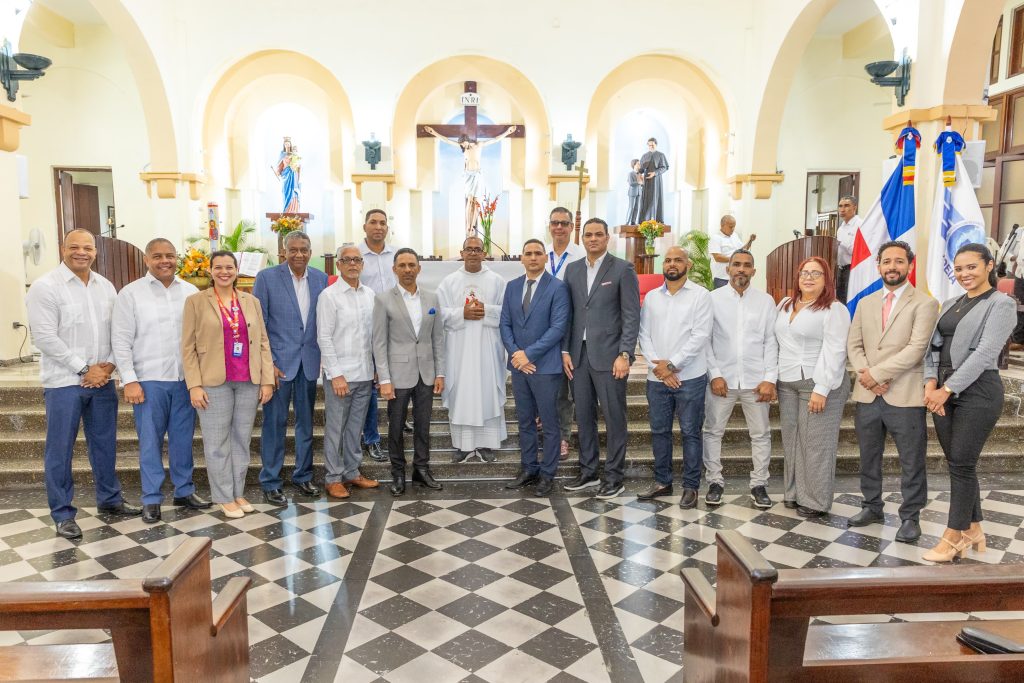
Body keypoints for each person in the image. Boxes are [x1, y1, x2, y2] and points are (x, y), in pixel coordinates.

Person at [25, 229, 141, 538]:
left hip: (102, 380)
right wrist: (83, 369)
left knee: (104, 444)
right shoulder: (45, 287)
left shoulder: (105, 286)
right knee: (60, 449)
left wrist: (110, 365)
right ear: (62, 249)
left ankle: (110, 499)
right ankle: (63, 513)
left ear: (95, 252)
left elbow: (119, 331)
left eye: (87, 248)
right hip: (64, 382)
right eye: (74, 247)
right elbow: (44, 337)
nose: (81, 252)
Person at [921, 244, 1016, 562]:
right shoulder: (951, 303)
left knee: (962, 463)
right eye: (959, 269)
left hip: (978, 391)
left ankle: (954, 535)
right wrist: (931, 382)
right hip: (942, 389)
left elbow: (985, 353)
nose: (964, 274)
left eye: (971, 267)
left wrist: (946, 390)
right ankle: (974, 528)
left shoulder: (1001, 303)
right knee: (957, 463)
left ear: (988, 266)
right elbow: (933, 347)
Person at [111, 238, 210, 524]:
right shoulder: (131, 294)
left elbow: (199, 337)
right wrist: (129, 380)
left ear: (177, 258)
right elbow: (121, 340)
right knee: (150, 443)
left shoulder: (190, 291)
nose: (164, 261)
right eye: (157, 256)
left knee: (183, 440)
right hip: (148, 380)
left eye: (169, 255)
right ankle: (151, 498)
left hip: (183, 379)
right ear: (146, 259)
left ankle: (184, 490)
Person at [846, 241, 938, 543]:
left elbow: (916, 348)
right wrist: (868, 376)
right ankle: (871, 507)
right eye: (887, 261)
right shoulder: (865, 303)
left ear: (909, 265)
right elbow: (854, 345)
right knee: (868, 456)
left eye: (899, 261)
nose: (892, 267)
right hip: (868, 395)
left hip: (905, 395)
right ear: (878, 266)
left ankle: (910, 517)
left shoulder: (924, 303)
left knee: (912, 461)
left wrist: (877, 374)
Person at [181, 251, 275, 518]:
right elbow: (187, 347)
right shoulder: (196, 301)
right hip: (213, 381)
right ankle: (223, 496)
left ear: (237, 271)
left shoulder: (251, 301)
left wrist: (267, 380)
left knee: (241, 440)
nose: (224, 272)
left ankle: (237, 492)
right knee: (217, 442)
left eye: (229, 267)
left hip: (248, 379)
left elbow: (263, 342)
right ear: (210, 271)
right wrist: (194, 385)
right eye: (219, 267)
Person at [561, 218, 641, 499]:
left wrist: (625, 353)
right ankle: (588, 472)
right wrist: (565, 350)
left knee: (614, 417)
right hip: (578, 356)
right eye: (588, 235)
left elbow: (631, 315)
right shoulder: (572, 270)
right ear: (582, 239)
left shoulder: (622, 269)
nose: (593, 239)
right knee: (584, 417)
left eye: (598, 234)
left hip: (610, 356)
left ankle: (615, 477)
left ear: (607, 238)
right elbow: (568, 314)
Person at [252, 231, 327, 506]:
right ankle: (271, 481)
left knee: (306, 424)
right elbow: (259, 324)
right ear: (284, 252)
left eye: (304, 249)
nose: (299, 254)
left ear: (310, 252)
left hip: (308, 362)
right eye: (293, 249)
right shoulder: (267, 278)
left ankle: (303, 475)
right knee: (275, 424)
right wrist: (268, 363)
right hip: (279, 366)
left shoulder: (320, 279)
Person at [702, 249, 779, 510]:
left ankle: (759, 484)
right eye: (736, 264)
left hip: (755, 381)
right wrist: (715, 374)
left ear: (753, 271)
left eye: (747, 265)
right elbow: (705, 340)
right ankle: (714, 482)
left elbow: (771, 341)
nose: (741, 269)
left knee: (761, 434)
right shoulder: (712, 299)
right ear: (728, 269)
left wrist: (770, 378)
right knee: (713, 432)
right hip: (721, 380)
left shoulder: (765, 301)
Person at [774, 256, 851, 517]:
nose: (808, 278)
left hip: (817, 383)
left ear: (826, 279)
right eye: (804, 272)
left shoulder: (834, 309)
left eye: (816, 273)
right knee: (792, 441)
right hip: (787, 381)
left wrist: (822, 388)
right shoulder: (785, 304)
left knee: (816, 444)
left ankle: (816, 501)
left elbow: (836, 350)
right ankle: (794, 492)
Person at [637, 247, 712, 508]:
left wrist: (672, 365)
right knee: (659, 431)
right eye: (668, 260)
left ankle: (691, 486)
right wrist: (659, 368)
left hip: (690, 377)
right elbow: (643, 334)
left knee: (691, 432)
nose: (672, 264)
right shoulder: (652, 298)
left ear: (688, 265)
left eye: (678, 260)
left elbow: (700, 336)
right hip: (656, 378)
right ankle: (662, 481)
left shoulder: (701, 296)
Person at [372, 248, 446, 496]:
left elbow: (437, 338)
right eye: (402, 265)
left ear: (419, 268)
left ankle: (421, 469)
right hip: (397, 374)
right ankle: (398, 473)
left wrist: (440, 372)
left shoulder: (432, 298)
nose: (407, 270)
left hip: (426, 372)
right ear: (394, 269)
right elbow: (379, 342)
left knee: (423, 424)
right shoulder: (383, 299)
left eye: (411, 265)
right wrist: (384, 378)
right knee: (395, 426)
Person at [500, 239, 571, 496]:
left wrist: (528, 354)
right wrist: (516, 355)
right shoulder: (512, 286)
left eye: (537, 253)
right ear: (521, 258)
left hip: (546, 367)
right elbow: (505, 324)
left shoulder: (558, 287)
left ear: (545, 257)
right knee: (525, 421)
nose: (532, 257)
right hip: (519, 367)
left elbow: (558, 328)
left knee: (550, 424)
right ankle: (529, 468)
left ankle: (547, 473)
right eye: (528, 253)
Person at [437, 236, 508, 462]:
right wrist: (462, 313)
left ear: (484, 253)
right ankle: (463, 445)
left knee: (487, 392)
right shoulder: (449, 282)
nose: (473, 253)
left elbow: (508, 313)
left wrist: (486, 310)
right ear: (462, 253)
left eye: (478, 249)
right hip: (459, 349)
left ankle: (487, 444)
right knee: (462, 393)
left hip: (488, 348)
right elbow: (438, 314)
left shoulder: (497, 281)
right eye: (469, 249)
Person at [317, 244, 379, 499]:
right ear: (339, 264)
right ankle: (333, 478)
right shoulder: (329, 296)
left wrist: (376, 367)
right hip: (341, 376)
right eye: (347, 260)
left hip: (364, 373)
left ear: (362, 264)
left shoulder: (370, 294)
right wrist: (336, 374)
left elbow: (373, 336)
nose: (353, 264)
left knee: (355, 428)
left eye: (357, 260)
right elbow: (323, 337)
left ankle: (352, 471)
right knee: (336, 429)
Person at [422, 124, 517, 235]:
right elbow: (446, 140)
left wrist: (508, 132)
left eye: (464, 143)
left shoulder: (479, 145)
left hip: (477, 175)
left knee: (476, 202)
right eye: (461, 144)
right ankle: (468, 225)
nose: (463, 146)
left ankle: (472, 226)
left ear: (467, 140)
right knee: (470, 200)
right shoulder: (463, 147)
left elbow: (495, 140)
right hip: (468, 175)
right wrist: (433, 132)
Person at [545, 206, 586, 459]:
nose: (559, 227)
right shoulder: (541, 253)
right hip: (543, 330)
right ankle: (547, 428)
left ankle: (563, 436)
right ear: (549, 226)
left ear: (571, 227)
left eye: (563, 223)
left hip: (573, 327)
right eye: (555, 223)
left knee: (565, 389)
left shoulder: (581, 255)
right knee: (546, 384)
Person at [358, 209, 396, 464]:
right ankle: (371, 438)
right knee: (372, 384)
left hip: (396, 326)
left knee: (399, 379)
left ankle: (397, 423)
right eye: (373, 222)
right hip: (368, 327)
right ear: (365, 227)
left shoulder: (396, 254)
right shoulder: (355, 255)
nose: (379, 227)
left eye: (383, 222)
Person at [709, 215, 755, 289]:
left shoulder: (735, 236)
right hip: (722, 278)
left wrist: (750, 241)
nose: (733, 229)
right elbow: (717, 257)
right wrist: (735, 259)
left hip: (735, 277)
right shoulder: (715, 238)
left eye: (734, 227)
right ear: (722, 225)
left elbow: (742, 250)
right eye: (730, 227)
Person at [835, 195, 862, 304]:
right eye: (840, 206)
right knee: (840, 300)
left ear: (854, 207)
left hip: (853, 269)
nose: (842, 209)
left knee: (849, 300)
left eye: (846, 206)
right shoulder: (841, 228)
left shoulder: (860, 225)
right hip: (840, 269)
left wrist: (840, 242)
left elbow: (857, 250)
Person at [638, 138, 669, 222]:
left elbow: (664, 167)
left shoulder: (661, 155)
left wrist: (655, 173)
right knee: (646, 200)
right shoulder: (644, 156)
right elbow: (641, 169)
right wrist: (638, 173)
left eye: (652, 145)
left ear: (656, 145)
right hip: (646, 182)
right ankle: (644, 221)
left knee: (655, 199)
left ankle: (656, 220)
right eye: (649, 145)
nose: (651, 146)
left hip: (656, 181)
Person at [274, 136, 301, 213]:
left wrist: (295, 166)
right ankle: (286, 209)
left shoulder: (294, 154)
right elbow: (279, 165)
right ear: (284, 145)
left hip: (293, 174)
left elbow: (298, 165)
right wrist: (278, 171)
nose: (287, 145)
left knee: (293, 191)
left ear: (290, 144)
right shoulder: (282, 154)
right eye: (285, 144)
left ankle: (293, 210)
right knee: (285, 191)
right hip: (285, 175)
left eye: (288, 143)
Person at [626, 159, 643, 225]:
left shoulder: (640, 174)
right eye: (638, 164)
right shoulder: (630, 174)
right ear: (634, 165)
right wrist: (639, 182)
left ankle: (633, 222)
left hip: (639, 193)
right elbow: (631, 183)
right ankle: (627, 222)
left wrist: (642, 182)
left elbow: (642, 184)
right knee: (631, 207)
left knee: (636, 208)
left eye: (639, 164)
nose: (639, 165)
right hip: (632, 193)